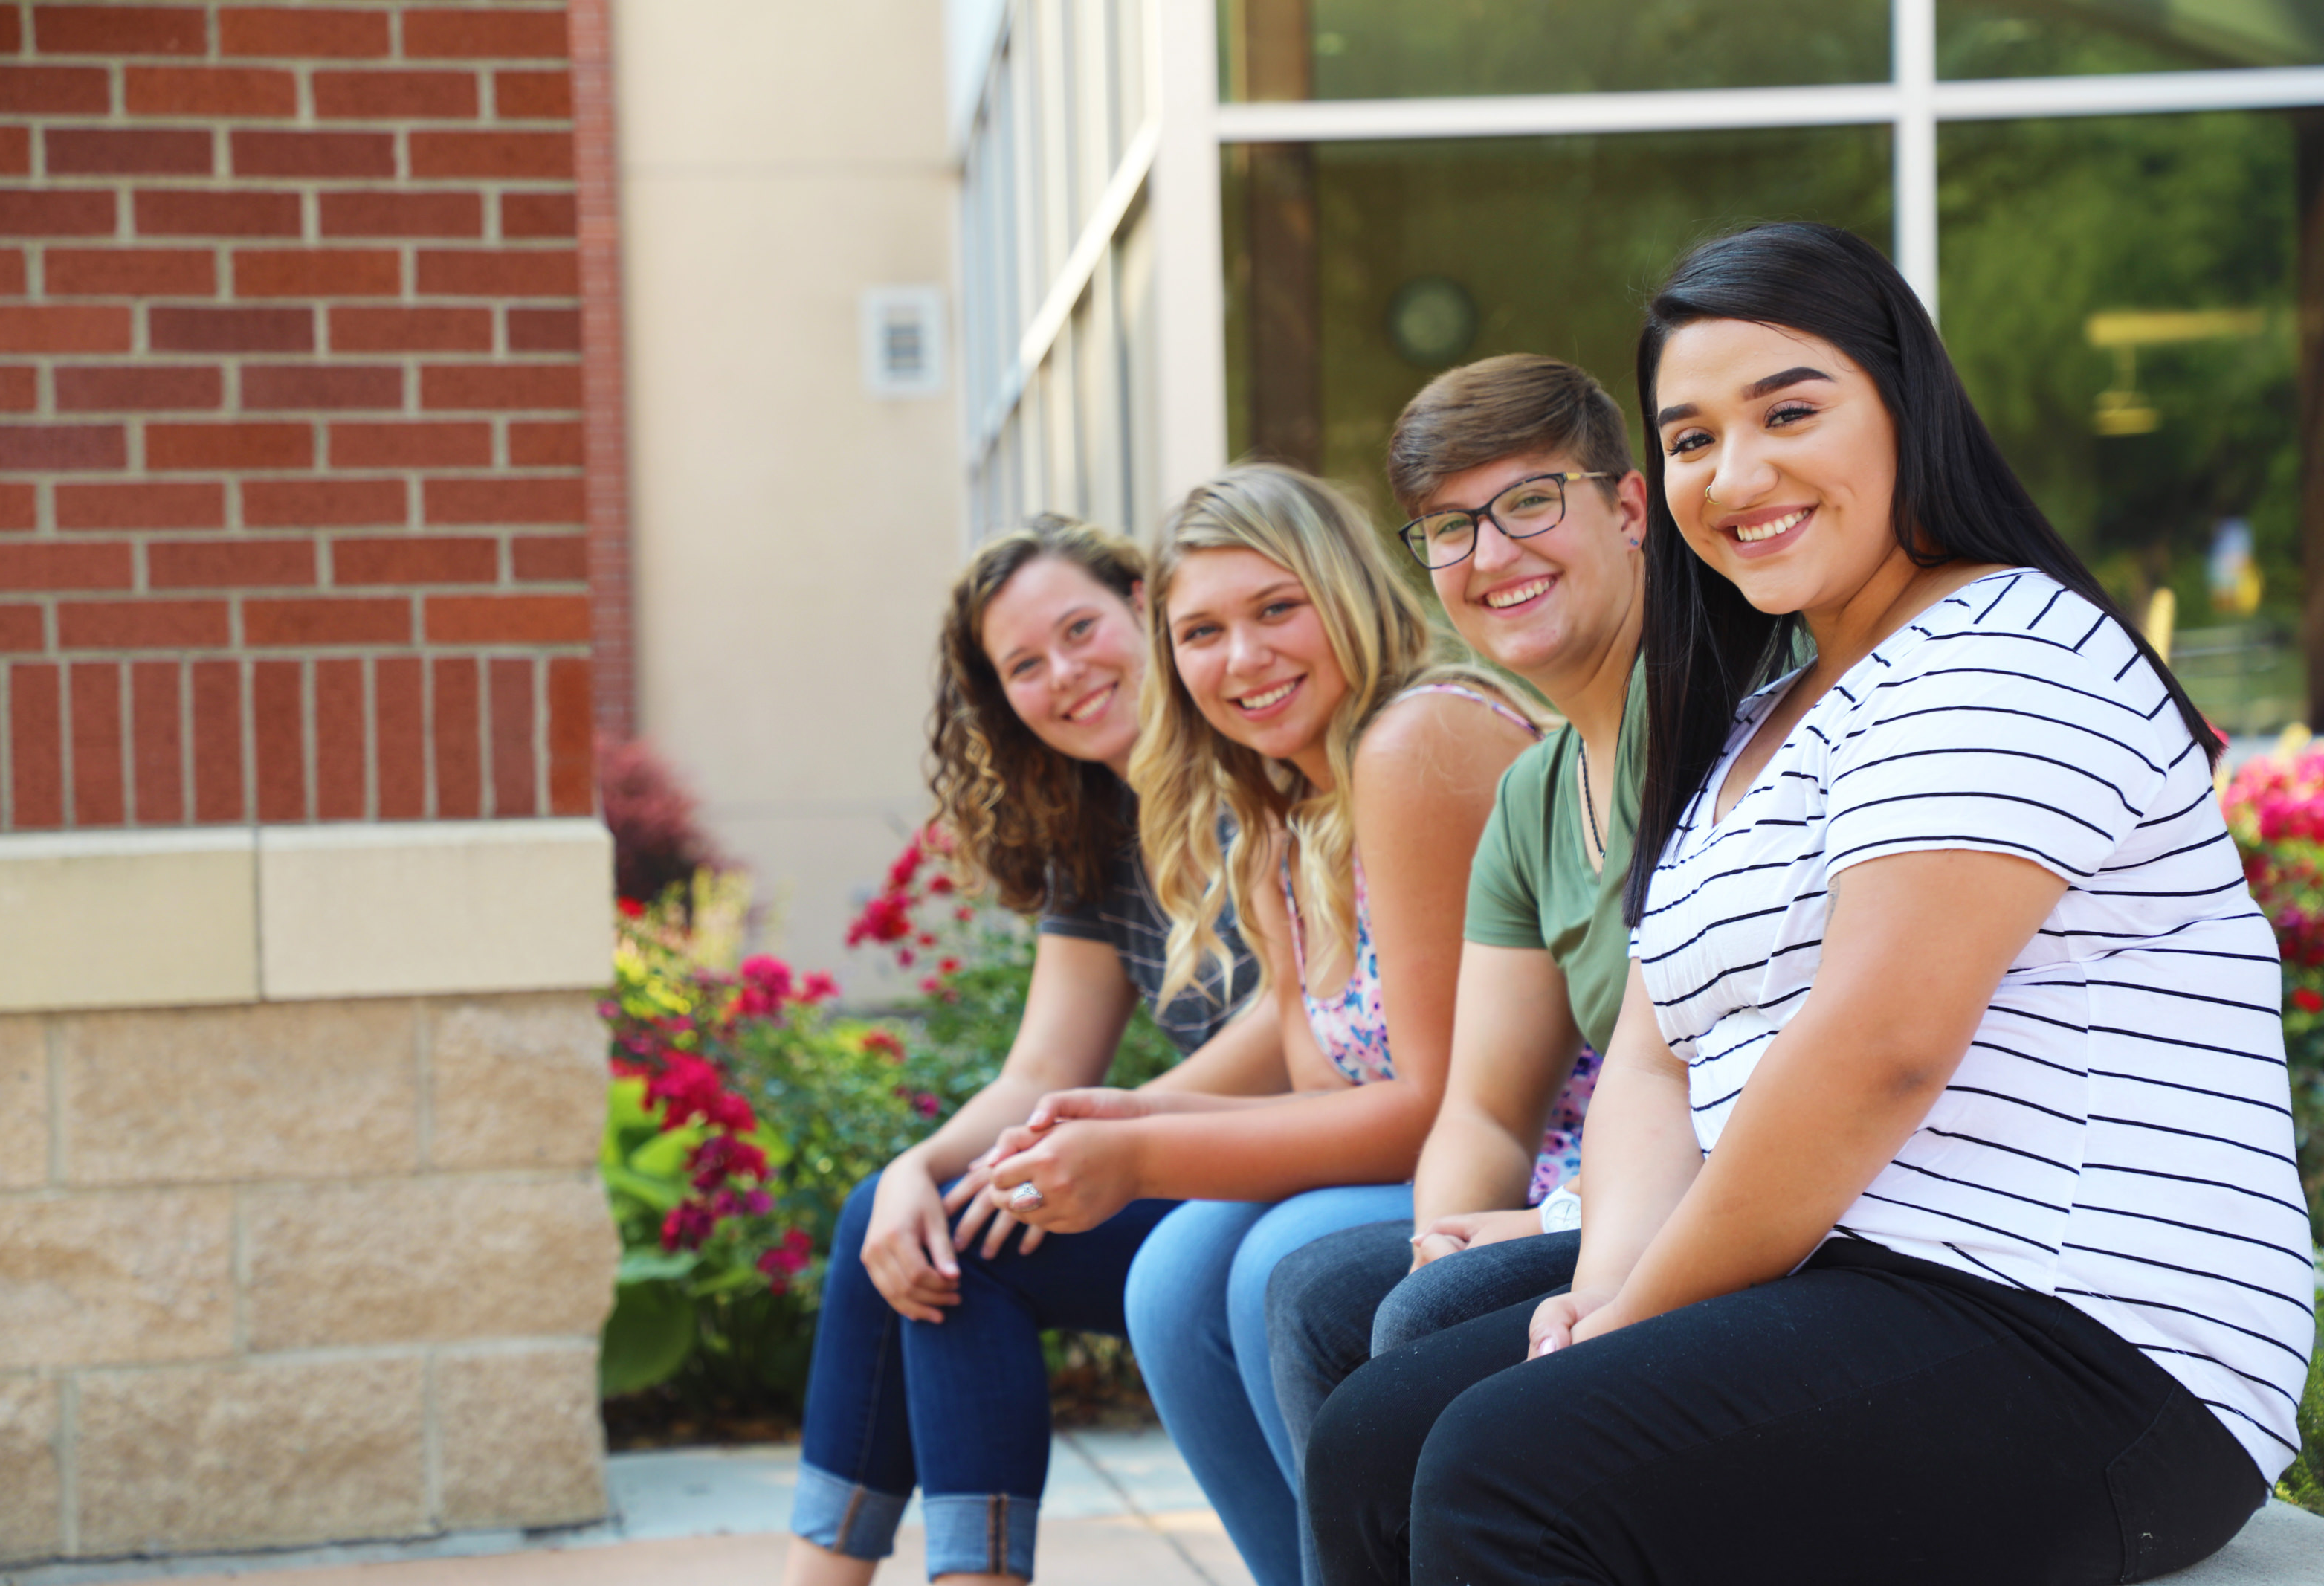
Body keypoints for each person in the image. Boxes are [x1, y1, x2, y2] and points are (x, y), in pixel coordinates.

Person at [1307, 222, 2314, 1586]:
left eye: (1790, 410)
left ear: (1906, 406)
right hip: (1854, 1283)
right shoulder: (1761, 720)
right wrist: (1608, 1283)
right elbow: (1655, 1063)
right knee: (1375, 1438)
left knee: (1507, 1468)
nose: (1740, 471)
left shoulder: (2004, 647)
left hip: (2096, 1342)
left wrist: (1635, 1316)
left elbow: (1875, 1050)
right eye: (1692, 437)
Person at [980, 463, 1537, 1586]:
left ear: (1344, 594)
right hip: (1441, 1143)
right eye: (1202, 632)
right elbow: (1317, 1075)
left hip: (1549, 1153)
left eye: (1276, 610)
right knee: (1170, 1270)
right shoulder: (1281, 813)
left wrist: (1140, 1148)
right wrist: (1120, 1115)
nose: (1243, 660)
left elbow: (1436, 1106)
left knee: (1273, 1259)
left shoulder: (1413, 741)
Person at [784, 515, 1284, 1586]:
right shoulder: (1097, 827)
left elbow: (1303, 1016)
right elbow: (1043, 1071)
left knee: (974, 1240)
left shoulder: (1261, 758)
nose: (1066, 673)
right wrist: (915, 1170)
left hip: (1317, 1145)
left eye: (1080, 629)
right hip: (1210, 1154)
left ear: (1142, 607)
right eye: (1025, 664)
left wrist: (1121, 1131)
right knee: (908, 1216)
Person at [1261, 355, 1647, 1505]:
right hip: (1616, 1194)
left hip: (1740, 1211)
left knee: (1404, 1331)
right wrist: (1444, 1230)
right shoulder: (1534, 793)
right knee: (1333, 1292)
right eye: (1447, 528)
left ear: (1629, 509)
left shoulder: (1723, 728)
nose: (1490, 556)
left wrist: (1548, 1222)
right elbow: (1482, 1103)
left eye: (1529, 502)